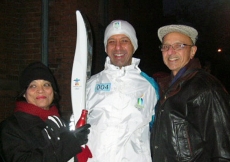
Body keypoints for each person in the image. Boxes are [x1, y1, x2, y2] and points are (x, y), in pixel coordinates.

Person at [150, 24, 230, 161]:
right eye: (166, 46)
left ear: (192, 51)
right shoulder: (165, 87)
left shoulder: (206, 89)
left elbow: (223, 152)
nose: (171, 51)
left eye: (179, 46)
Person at [85, 20, 159, 162]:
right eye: (112, 41)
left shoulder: (149, 86)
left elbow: (159, 131)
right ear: (106, 48)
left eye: (124, 40)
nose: (118, 47)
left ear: (134, 46)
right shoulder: (90, 85)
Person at [0, 62, 90, 162]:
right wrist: (71, 143)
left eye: (46, 84)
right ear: (24, 93)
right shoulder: (11, 128)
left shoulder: (60, 123)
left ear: (53, 90)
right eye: (33, 86)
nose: (41, 90)